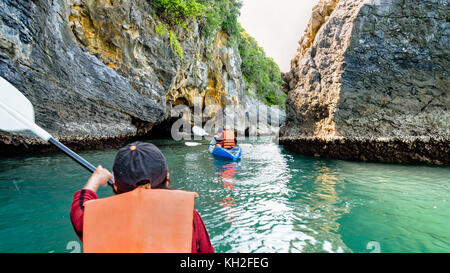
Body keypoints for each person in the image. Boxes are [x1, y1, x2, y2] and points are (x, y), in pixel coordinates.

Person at [70, 141, 214, 253]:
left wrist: (95, 180)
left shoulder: (95, 220)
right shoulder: (189, 217)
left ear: (115, 186)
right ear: (167, 177)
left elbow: (79, 210)